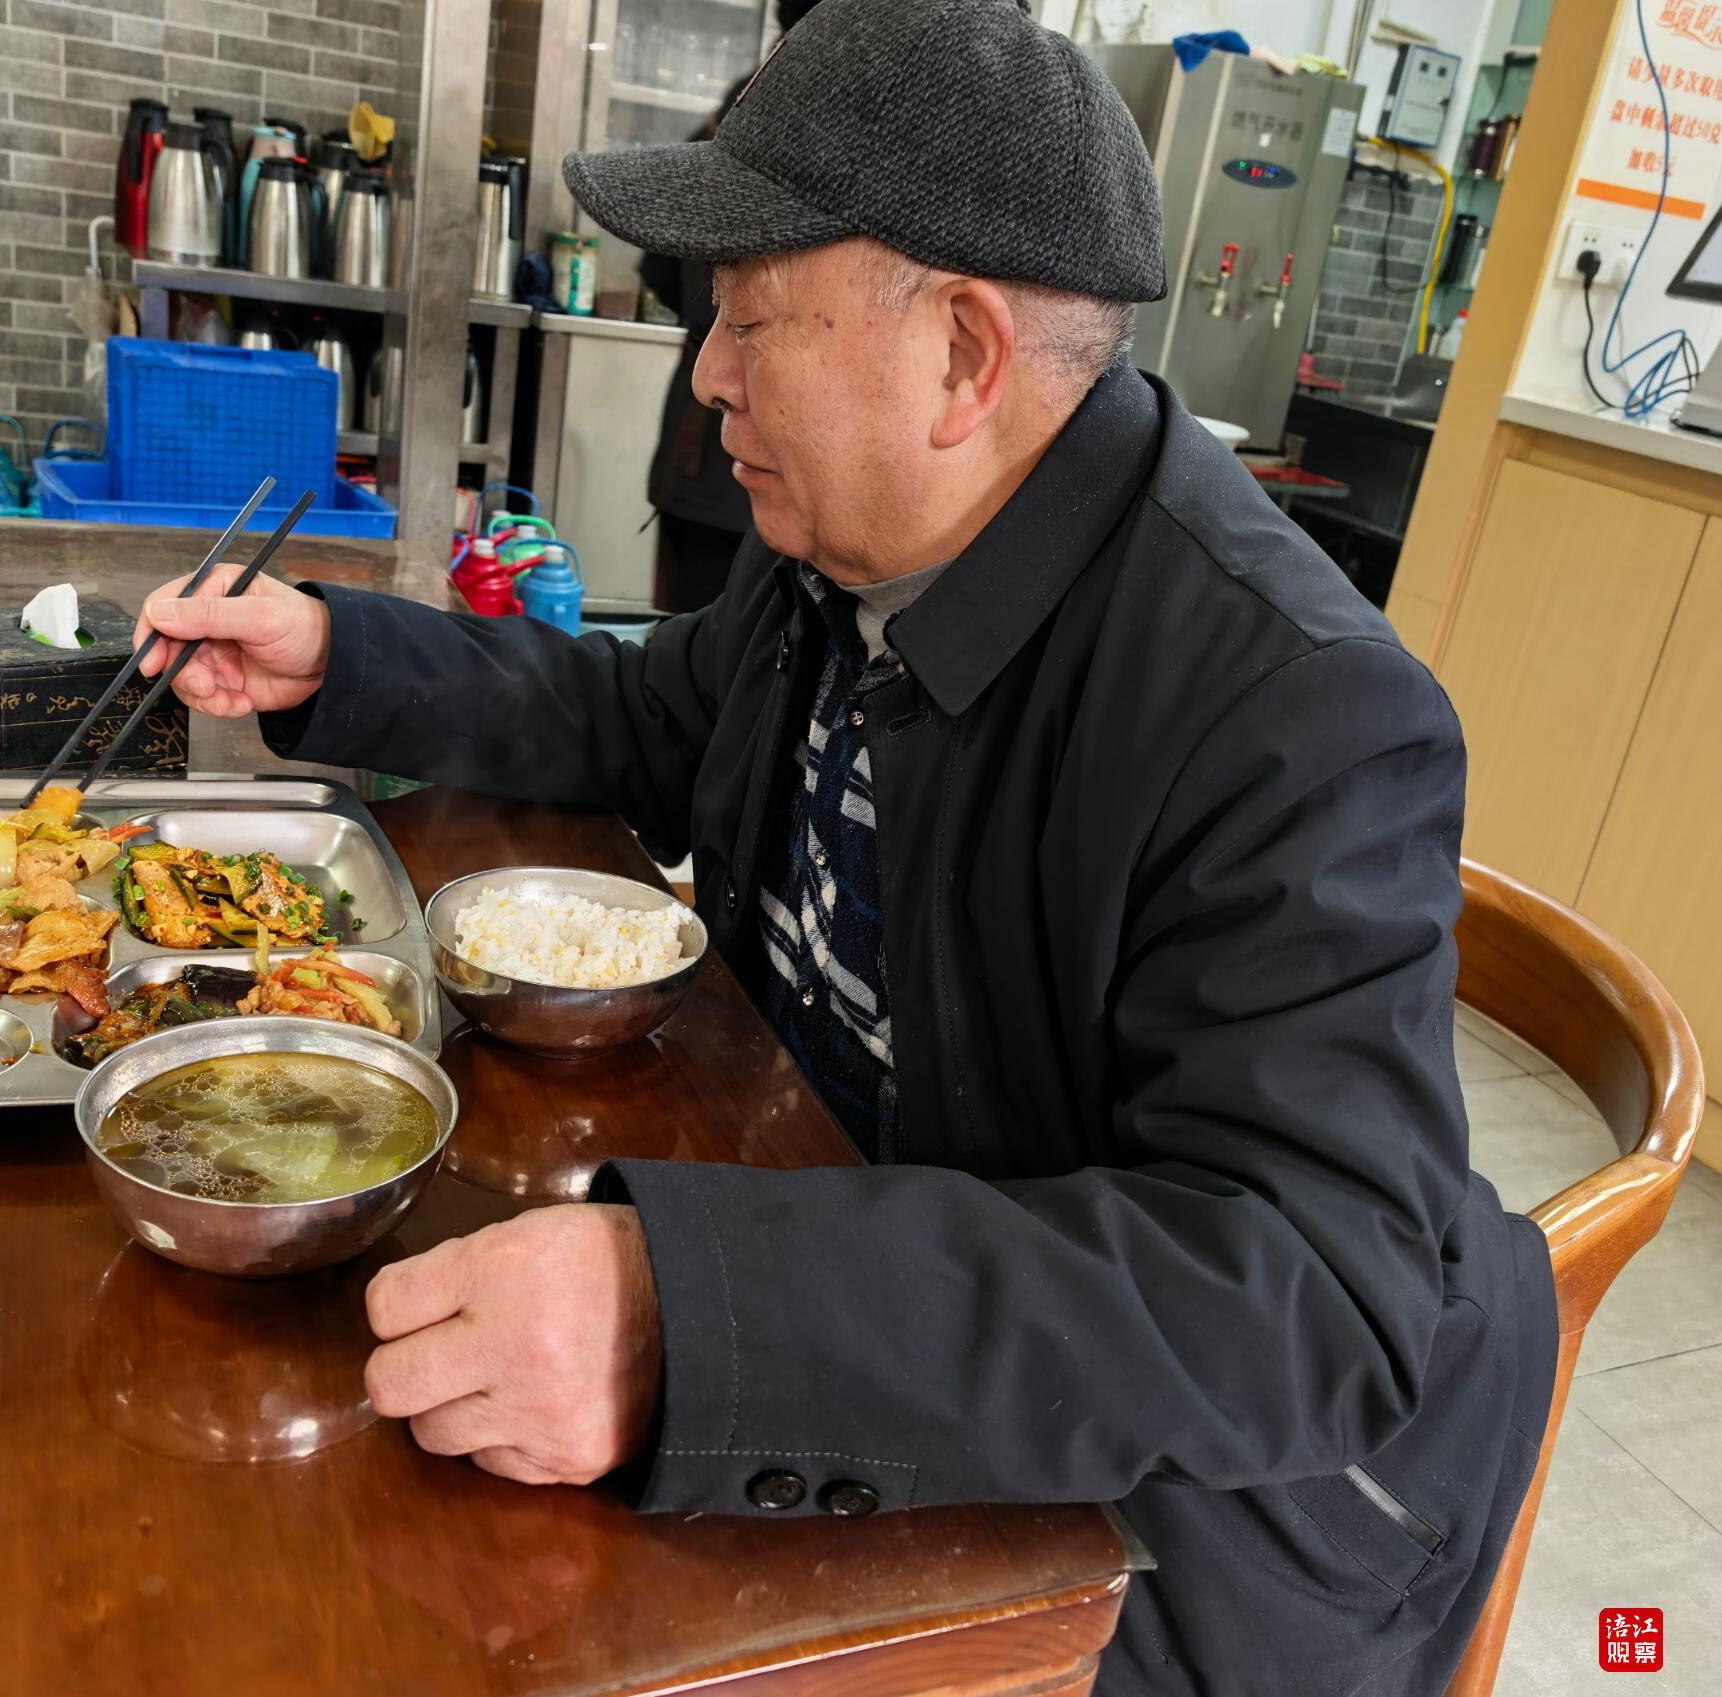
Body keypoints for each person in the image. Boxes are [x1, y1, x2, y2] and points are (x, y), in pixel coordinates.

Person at [134, 3, 1555, 1691]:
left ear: (961, 355)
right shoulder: (848, 555)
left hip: (1176, 1520)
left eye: (748, 315)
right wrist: (340, 654)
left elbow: (1310, 1294)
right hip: (863, 1270)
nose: (707, 373)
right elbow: (649, 715)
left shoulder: (1292, 710)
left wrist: (693, 1320)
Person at [640, 0, 824, 613]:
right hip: (716, 467)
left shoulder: (743, 112)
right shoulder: (774, 118)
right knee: (712, 643)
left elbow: (659, 271)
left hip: (716, 462)